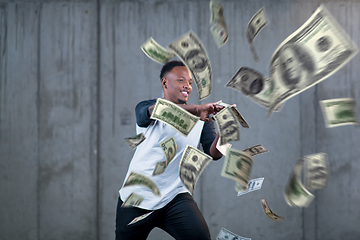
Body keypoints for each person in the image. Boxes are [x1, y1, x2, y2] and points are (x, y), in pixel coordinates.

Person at [115, 60, 224, 240]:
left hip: (174, 196)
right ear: (165, 83)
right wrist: (197, 109)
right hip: (136, 198)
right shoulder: (148, 107)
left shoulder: (203, 119)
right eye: (181, 80)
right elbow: (161, 110)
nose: (187, 86)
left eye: (189, 82)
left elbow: (214, 153)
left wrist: (224, 134)